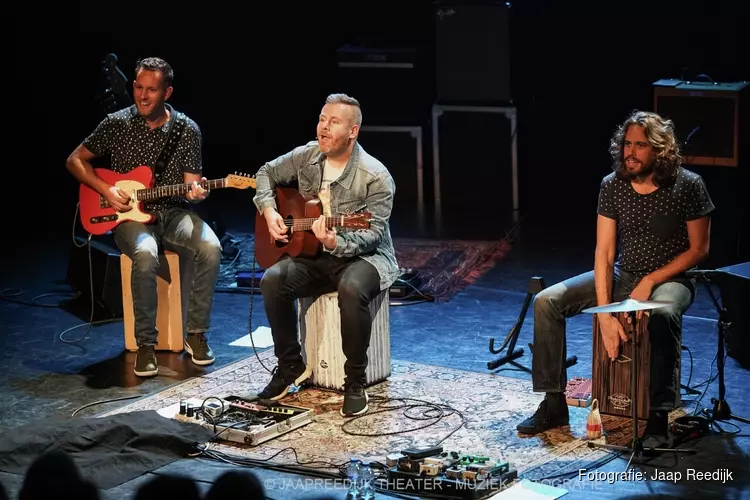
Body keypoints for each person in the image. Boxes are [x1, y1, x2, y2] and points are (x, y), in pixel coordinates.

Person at [516, 110, 715, 447]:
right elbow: (605, 252)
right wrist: (606, 313)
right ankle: (553, 404)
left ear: (660, 150)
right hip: (625, 273)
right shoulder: (613, 185)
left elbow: (699, 250)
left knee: (664, 313)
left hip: (673, 279)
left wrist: (651, 280)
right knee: (546, 301)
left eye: (640, 145)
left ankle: (657, 416)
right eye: (627, 144)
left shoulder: (688, 185)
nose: (630, 152)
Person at [66, 57, 221, 377]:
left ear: (168, 92)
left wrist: (198, 192)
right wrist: (107, 191)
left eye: (152, 90)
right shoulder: (117, 123)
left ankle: (196, 334)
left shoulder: (187, 129)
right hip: (129, 217)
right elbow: (75, 161)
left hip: (174, 212)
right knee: (146, 253)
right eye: (138, 87)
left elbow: (193, 184)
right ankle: (146, 345)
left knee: (211, 247)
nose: (142, 96)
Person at [252, 93, 399, 417]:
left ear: (352, 131)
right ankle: (290, 365)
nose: (324, 127)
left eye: (333, 122)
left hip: (366, 257)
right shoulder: (308, 155)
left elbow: (372, 233)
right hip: (315, 254)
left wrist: (335, 243)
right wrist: (269, 211)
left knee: (351, 288)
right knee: (272, 281)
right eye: (322, 119)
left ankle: (355, 380)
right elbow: (265, 173)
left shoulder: (376, 176)